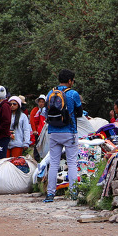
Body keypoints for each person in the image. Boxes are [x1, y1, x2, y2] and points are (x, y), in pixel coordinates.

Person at [44, 69, 83, 203]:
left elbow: (45, 113)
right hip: (70, 131)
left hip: (53, 132)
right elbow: (80, 113)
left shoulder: (50, 93)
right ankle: (73, 193)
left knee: (54, 163)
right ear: (70, 81)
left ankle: (50, 194)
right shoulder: (73, 94)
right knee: (72, 163)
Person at [29, 95, 47, 161]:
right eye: (40, 102)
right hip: (38, 131)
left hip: (45, 131)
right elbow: (32, 121)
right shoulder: (35, 110)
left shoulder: (46, 110)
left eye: (42, 102)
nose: (41, 103)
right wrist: (34, 130)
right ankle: (36, 160)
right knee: (37, 146)